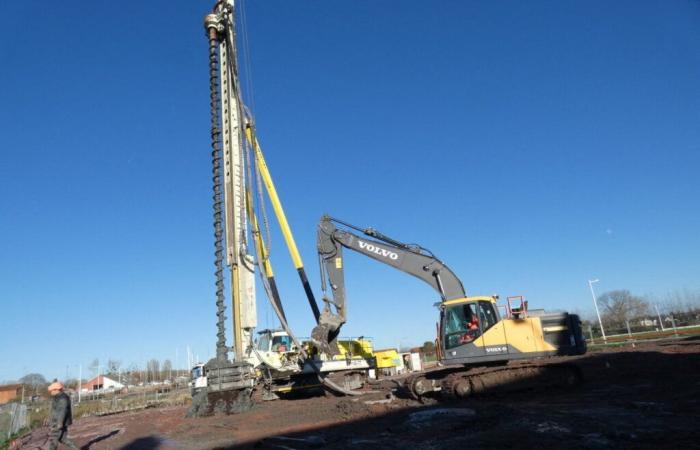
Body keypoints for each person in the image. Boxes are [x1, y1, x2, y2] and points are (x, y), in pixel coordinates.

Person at [47, 381, 80, 450]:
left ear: (57, 390)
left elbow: (63, 411)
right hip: (57, 421)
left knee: (53, 440)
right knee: (63, 439)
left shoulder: (62, 398)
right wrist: (49, 419)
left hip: (58, 423)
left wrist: (60, 422)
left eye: (51, 391)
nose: (50, 392)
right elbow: (54, 410)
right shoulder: (57, 397)